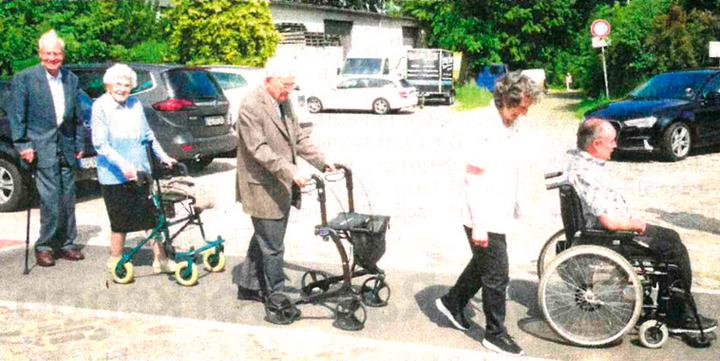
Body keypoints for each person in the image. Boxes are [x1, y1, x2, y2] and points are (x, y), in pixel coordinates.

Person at [565, 118, 717, 334]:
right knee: (674, 250)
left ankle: (674, 308)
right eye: (612, 141)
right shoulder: (588, 172)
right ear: (596, 144)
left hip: (605, 231)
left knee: (671, 236)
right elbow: (609, 221)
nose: (615, 145)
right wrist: (637, 224)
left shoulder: (581, 162)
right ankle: (678, 316)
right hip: (611, 236)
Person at [435, 72, 541, 356]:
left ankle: (451, 303)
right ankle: (495, 334)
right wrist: (479, 226)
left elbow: (511, 165)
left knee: (484, 264)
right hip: (479, 211)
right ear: (509, 99)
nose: (526, 111)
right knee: (497, 274)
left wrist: (518, 202)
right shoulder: (483, 126)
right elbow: (472, 179)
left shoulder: (511, 122)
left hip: (497, 208)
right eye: (524, 105)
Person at [233, 64, 334, 310]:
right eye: (285, 85)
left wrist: (323, 161)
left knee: (266, 237)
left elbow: (297, 137)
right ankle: (275, 296)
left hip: (280, 184)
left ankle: (248, 286)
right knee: (273, 246)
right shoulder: (250, 106)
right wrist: (292, 172)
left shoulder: (283, 101)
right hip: (262, 186)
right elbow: (259, 150)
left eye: (292, 85)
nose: (289, 91)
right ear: (269, 80)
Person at [91, 63, 177, 274]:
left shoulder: (135, 104)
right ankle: (116, 260)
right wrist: (124, 166)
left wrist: (164, 156)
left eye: (127, 85)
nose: (122, 89)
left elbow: (148, 135)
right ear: (108, 85)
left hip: (140, 171)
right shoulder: (100, 106)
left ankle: (161, 260)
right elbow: (100, 144)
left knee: (152, 217)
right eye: (118, 84)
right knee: (120, 222)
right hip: (114, 175)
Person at [8, 29, 85, 267]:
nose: (53, 58)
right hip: (40, 147)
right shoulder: (25, 78)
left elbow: (77, 116)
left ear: (63, 55)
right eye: (48, 53)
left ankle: (67, 243)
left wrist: (79, 143)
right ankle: (45, 246)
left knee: (68, 196)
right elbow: (17, 115)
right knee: (50, 197)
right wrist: (23, 144)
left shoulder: (71, 79)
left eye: (57, 53)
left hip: (66, 144)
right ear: (40, 54)